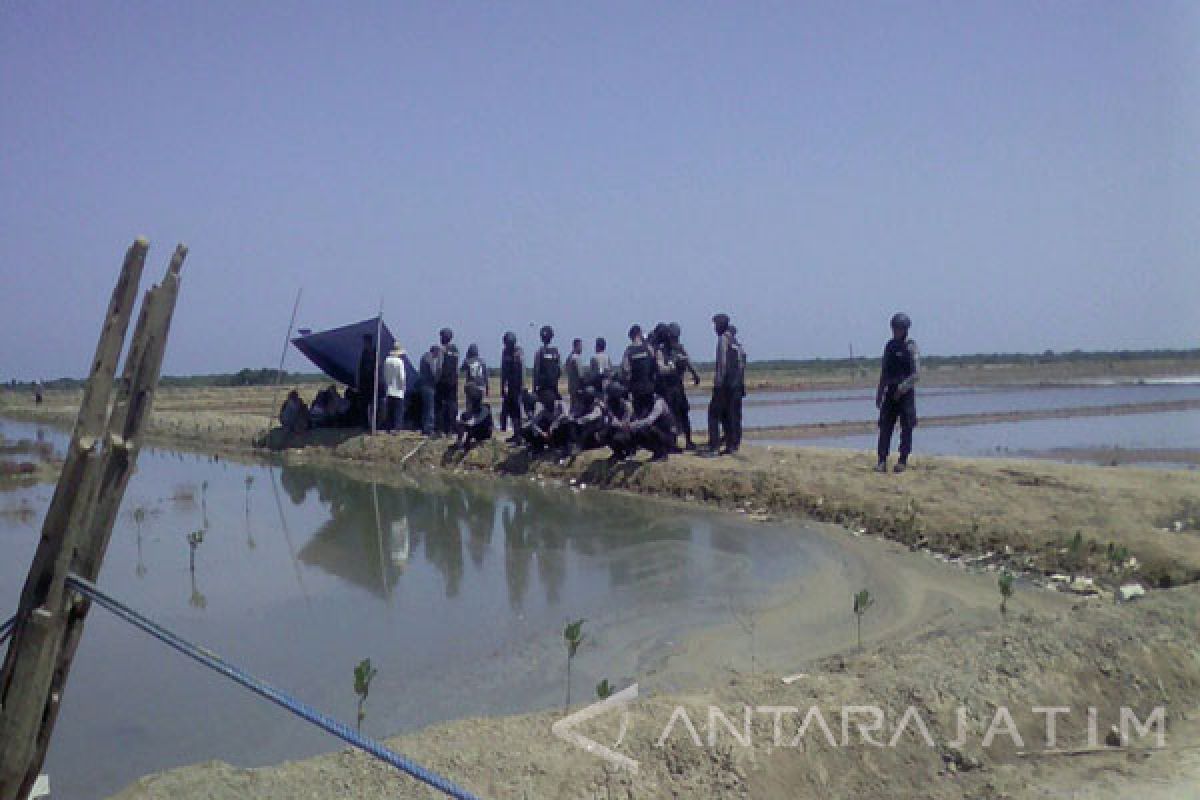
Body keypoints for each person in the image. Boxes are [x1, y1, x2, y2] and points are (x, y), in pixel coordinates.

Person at [875, 312, 920, 473]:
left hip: (905, 393)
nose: (896, 331)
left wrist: (902, 389)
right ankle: (881, 460)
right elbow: (884, 371)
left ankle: (902, 460)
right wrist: (880, 392)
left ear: (905, 329)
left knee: (907, 426)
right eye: (894, 328)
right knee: (885, 426)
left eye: (899, 328)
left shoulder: (911, 347)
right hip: (891, 391)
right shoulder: (890, 346)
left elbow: (916, 374)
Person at [705, 313, 741, 455]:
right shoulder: (735, 341)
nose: (714, 328)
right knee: (729, 415)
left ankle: (714, 447)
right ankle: (732, 445)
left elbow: (722, 364)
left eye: (715, 325)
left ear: (720, 325)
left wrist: (718, 384)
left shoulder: (722, 340)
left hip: (724, 385)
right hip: (735, 385)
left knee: (713, 415)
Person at [664, 322, 701, 449]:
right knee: (678, 414)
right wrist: (695, 375)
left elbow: (688, 361)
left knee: (678, 414)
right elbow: (688, 362)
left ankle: (682, 442)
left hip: (674, 386)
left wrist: (695, 374)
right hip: (673, 386)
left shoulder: (670, 349)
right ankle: (683, 441)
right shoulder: (673, 349)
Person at [627, 391, 676, 462]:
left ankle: (663, 454)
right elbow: (638, 418)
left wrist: (632, 425)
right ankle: (656, 453)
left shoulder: (658, 402)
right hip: (660, 433)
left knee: (650, 430)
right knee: (636, 433)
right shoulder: (645, 403)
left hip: (668, 436)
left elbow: (650, 420)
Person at [620, 324, 657, 416]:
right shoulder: (648, 348)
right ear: (639, 334)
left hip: (636, 389)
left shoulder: (628, 351)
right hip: (649, 387)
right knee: (650, 412)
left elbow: (626, 371)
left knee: (638, 414)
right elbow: (655, 364)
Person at [522, 388, 569, 456]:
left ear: (553, 396)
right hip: (549, 434)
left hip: (559, 430)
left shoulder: (560, 404)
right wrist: (542, 432)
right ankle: (538, 447)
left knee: (565, 424)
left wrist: (554, 424)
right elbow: (533, 423)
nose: (546, 398)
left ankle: (562, 447)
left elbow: (565, 415)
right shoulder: (543, 410)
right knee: (526, 429)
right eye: (544, 397)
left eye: (547, 396)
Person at [499, 331, 525, 444]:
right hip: (509, 385)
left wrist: (522, 386)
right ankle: (515, 433)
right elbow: (503, 370)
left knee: (517, 410)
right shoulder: (505, 352)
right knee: (508, 410)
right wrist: (502, 385)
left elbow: (522, 370)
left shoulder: (518, 352)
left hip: (517, 385)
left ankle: (519, 435)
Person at [453, 383, 493, 452]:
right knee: (463, 417)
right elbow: (468, 416)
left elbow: (477, 420)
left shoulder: (485, 407)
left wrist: (464, 423)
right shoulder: (474, 406)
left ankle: (465, 445)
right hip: (476, 427)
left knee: (467, 424)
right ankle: (460, 443)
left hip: (484, 432)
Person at [567, 386, 607, 454]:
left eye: (586, 395)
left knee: (585, 430)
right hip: (586, 425)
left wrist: (581, 420)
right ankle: (575, 445)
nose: (584, 397)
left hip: (598, 428)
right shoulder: (584, 402)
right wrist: (572, 417)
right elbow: (576, 412)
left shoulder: (597, 404)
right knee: (571, 426)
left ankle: (580, 446)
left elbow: (595, 415)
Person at [435, 328, 460, 435]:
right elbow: (457, 367)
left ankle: (440, 429)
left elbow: (439, 367)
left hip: (443, 381)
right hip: (453, 380)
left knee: (440, 405)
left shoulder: (442, 350)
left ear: (443, 338)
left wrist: (437, 380)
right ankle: (452, 428)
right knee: (452, 404)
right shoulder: (456, 350)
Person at [727, 324, 747, 453]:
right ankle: (735, 441)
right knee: (737, 416)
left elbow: (734, 369)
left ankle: (733, 443)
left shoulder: (733, 348)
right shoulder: (740, 348)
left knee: (732, 415)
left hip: (733, 386)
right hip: (739, 385)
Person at [382, 344, 408, 432]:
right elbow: (401, 376)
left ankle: (388, 427)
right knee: (398, 410)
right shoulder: (399, 362)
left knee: (389, 410)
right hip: (398, 389)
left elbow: (385, 374)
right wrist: (403, 386)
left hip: (389, 387)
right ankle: (397, 428)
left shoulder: (387, 360)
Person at [532, 325, 561, 399]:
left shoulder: (540, 352)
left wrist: (534, 388)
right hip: (554, 387)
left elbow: (536, 371)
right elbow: (559, 370)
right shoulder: (555, 352)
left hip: (543, 388)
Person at [418, 344, 441, 436]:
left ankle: (424, 428)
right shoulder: (429, 357)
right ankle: (429, 428)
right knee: (430, 408)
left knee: (426, 408)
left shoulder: (424, 356)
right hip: (429, 386)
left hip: (423, 385)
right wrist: (437, 379)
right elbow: (433, 372)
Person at [356, 334, 378, 427]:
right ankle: (365, 423)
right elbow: (361, 369)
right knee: (364, 404)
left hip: (371, 383)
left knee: (371, 404)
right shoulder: (364, 353)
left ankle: (371, 423)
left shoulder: (373, 353)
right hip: (364, 383)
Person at [564, 338, 585, 415]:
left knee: (572, 406)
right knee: (577, 408)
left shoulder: (569, 358)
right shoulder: (576, 358)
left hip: (571, 386)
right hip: (577, 387)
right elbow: (581, 375)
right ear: (577, 346)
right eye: (581, 346)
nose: (582, 349)